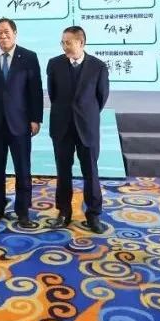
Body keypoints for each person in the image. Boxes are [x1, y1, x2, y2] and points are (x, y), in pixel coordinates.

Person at [0, 18, 43, 227]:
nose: (3, 36)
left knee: (22, 168)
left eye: (6, 32)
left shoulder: (29, 57)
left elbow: (35, 90)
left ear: (15, 33)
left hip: (20, 122)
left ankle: (23, 211)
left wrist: (35, 119)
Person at [46, 26, 109, 234]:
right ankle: (64, 212)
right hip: (62, 126)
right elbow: (53, 95)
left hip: (87, 128)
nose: (64, 46)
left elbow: (101, 97)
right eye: (62, 42)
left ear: (81, 43)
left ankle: (93, 215)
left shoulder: (98, 66)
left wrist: (84, 114)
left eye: (68, 42)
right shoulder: (54, 64)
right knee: (63, 172)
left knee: (90, 172)